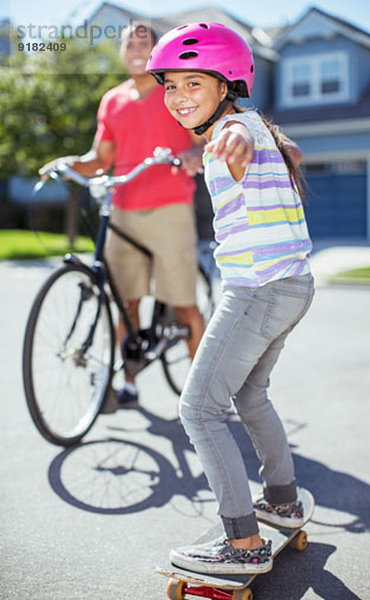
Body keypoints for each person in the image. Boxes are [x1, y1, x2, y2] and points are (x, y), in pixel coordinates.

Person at [146, 22, 314, 575]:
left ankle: (242, 544)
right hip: (291, 286)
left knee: (197, 408)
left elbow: (237, 145)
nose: (178, 97)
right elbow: (243, 157)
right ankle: (283, 499)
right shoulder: (254, 130)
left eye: (193, 83)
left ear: (226, 86)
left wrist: (227, 143)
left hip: (258, 291)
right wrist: (207, 156)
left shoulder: (238, 131)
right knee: (250, 395)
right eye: (170, 86)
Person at [39, 23, 205, 409]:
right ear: (120, 51)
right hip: (123, 210)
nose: (134, 48)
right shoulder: (112, 100)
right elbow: (101, 159)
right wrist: (67, 163)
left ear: (157, 51)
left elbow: (201, 141)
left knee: (184, 305)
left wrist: (192, 157)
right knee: (126, 303)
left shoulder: (174, 92)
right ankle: (127, 381)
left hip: (169, 208)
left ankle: (204, 398)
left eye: (143, 43)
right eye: (128, 43)